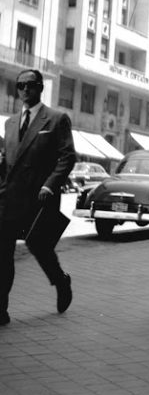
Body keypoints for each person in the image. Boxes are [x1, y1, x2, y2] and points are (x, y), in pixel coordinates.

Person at [0, 69, 76, 326]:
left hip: (40, 197)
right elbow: (8, 162)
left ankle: (61, 281)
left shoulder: (56, 119)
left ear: (40, 87)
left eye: (30, 85)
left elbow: (68, 157)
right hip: (9, 199)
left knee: (39, 248)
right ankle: (1, 309)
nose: (24, 90)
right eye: (20, 85)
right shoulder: (10, 123)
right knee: (3, 252)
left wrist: (50, 185)